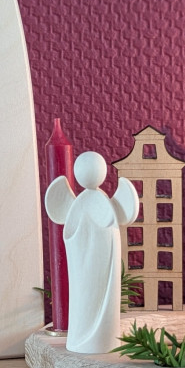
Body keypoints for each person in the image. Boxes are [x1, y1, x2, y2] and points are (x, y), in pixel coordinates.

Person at [44, 151, 140, 354]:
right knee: (84, 299)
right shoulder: (92, 203)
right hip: (83, 265)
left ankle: (98, 339)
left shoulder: (83, 203)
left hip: (91, 264)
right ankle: (88, 339)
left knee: (89, 299)